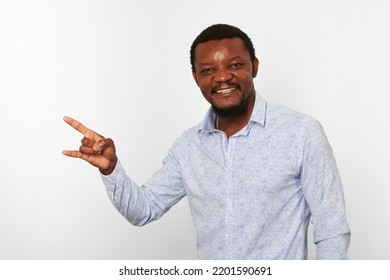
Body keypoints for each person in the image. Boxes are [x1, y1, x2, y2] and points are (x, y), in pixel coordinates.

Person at [63, 24, 351, 259]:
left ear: (255, 66)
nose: (222, 77)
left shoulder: (301, 133)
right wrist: (111, 168)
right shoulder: (188, 147)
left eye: (235, 64)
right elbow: (143, 210)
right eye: (208, 70)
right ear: (195, 77)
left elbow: (331, 231)